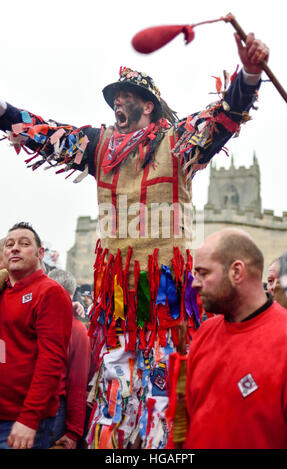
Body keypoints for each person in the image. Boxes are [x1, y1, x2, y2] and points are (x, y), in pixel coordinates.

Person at [0, 28, 269, 449]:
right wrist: (3, 112)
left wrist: (249, 75)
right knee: (112, 413)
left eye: (125, 97)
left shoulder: (177, 143)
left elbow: (220, 119)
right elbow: (44, 133)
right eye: (113, 99)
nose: (116, 104)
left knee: (168, 413)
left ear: (148, 106)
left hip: (167, 308)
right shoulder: (98, 145)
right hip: (115, 313)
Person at [185, 228, 287, 449]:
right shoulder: (205, 332)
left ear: (236, 272)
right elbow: (184, 424)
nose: (195, 283)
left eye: (204, 273)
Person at [0, 222, 73, 449]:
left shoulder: (50, 292)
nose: (14, 248)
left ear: (41, 253)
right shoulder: (3, 289)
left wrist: (29, 418)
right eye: (9, 244)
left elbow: (51, 361)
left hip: (21, 422)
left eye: (24, 244)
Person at [48, 269, 91, 449]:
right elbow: (77, 383)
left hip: (53, 412)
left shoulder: (77, 329)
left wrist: (73, 431)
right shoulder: (31, 319)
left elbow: (77, 383)